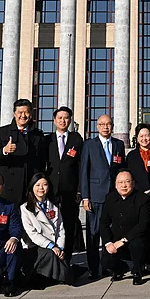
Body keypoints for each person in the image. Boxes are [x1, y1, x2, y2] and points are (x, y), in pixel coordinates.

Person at [80, 114, 127, 280]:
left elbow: (122, 170)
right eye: (102, 124)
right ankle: (93, 268)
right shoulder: (89, 145)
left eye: (108, 124)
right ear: (97, 126)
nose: (105, 127)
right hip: (96, 196)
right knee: (93, 234)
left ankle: (112, 266)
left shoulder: (118, 144)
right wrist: (85, 197)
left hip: (114, 196)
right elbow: (83, 172)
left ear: (112, 126)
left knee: (114, 233)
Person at [44, 106, 83, 271]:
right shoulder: (47, 140)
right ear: (54, 120)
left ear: (70, 120)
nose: (63, 121)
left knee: (68, 226)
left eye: (66, 118)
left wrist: (80, 190)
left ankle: (66, 261)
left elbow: (81, 166)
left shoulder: (76, 140)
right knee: (50, 226)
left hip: (70, 190)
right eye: (59, 118)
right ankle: (51, 262)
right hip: (50, 191)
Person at [0, 98, 46, 205]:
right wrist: (4, 151)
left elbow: (42, 161)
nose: (23, 116)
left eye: (26, 112)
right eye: (20, 112)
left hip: (30, 185)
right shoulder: (2, 132)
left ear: (31, 114)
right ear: (15, 114)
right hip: (8, 186)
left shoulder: (38, 135)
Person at [99, 171, 150, 285]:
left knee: (136, 245)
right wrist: (108, 243)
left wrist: (124, 240)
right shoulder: (110, 198)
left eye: (127, 182)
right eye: (120, 182)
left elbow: (143, 225)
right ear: (115, 184)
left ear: (133, 183)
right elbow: (104, 223)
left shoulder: (142, 198)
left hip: (136, 238)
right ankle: (119, 270)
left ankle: (137, 272)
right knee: (106, 260)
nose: (124, 185)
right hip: (116, 239)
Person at [19, 173, 70, 286]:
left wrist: (60, 247)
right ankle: (62, 276)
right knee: (51, 255)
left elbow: (60, 229)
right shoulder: (25, 208)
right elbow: (32, 234)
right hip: (35, 247)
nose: (41, 188)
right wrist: (51, 246)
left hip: (54, 246)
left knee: (58, 256)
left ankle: (56, 276)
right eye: (37, 185)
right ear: (32, 187)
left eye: (44, 185)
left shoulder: (54, 206)